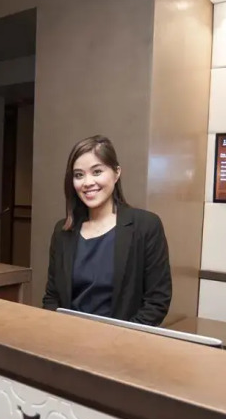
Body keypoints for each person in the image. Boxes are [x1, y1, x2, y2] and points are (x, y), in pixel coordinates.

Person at [42, 135, 172, 326]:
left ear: (116, 173)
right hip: (69, 336)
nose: (87, 182)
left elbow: (157, 301)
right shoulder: (63, 232)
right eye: (79, 175)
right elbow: (52, 297)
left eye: (97, 172)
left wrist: (117, 338)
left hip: (122, 340)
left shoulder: (146, 226)